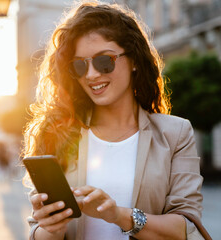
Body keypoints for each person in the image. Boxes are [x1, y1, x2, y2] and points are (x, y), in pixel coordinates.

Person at [22, 1, 206, 240]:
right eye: (79, 66)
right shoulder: (60, 132)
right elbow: (37, 232)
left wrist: (119, 215)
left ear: (134, 61)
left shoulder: (176, 133)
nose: (91, 74)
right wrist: (50, 229)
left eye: (104, 60)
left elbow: (186, 227)